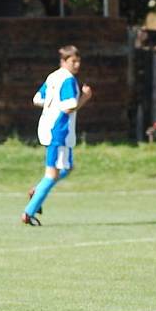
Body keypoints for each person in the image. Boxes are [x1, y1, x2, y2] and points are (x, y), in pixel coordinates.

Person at [23, 45, 92, 225]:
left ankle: (37, 190)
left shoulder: (53, 76)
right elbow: (69, 106)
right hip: (59, 130)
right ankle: (28, 212)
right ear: (63, 61)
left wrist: (52, 106)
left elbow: (38, 98)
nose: (76, 65)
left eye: (78, 61)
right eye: (73, 61)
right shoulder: (68, 79)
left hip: (48, 126)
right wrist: (84, 97)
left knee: (67, 168)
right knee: (52, 174)